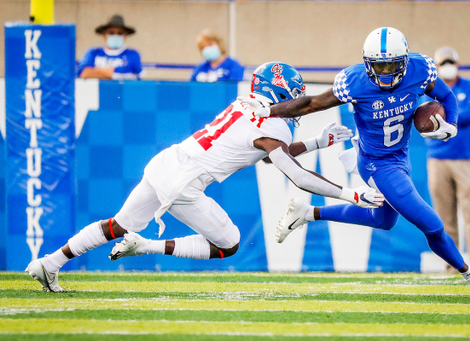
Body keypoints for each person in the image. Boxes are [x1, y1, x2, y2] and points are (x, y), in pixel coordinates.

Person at [26, 62, 384, 292]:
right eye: (291, 98)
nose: (295, 105)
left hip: (167, 163)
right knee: (228, 244)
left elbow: (266, 155)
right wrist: (353, 194)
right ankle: (145, 246)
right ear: (278, 93)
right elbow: (296, 175)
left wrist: (318, 141)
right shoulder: (272, 124)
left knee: (117, 224)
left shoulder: (245, 104)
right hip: (185, 184)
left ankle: (50, 262)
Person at [243, 28, 470, 298]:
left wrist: (452, 125)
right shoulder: (354, 81)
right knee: (432, 225)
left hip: (400, 156)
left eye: (392, 65)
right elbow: (311, 104)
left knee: (383, 220)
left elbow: (447, 97)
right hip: (378, 163)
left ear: (404, 61)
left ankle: (308, 213)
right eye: (379, 66)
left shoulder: (420, 69)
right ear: (367, 63)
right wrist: (269, 111)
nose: (386, 72)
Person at [429, 47, 470, 274]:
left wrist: (443, 114)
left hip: (465, 160)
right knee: (445, 218)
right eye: (442, 62)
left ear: (457, 63)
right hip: (437, 159)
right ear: (436, 67)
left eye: (449, 61)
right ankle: (453, 267)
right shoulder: (430, 90)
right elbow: (422, 117)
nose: (447, 66)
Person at [77, 14, 143, 80]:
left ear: (125, 36)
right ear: (104, 35)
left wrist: (96, 70)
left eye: (120, 33)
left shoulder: (132, 54)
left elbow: (132, 73)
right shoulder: (92, 53)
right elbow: (84, 73)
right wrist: (114, 73)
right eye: (111, 33)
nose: (115, 35)